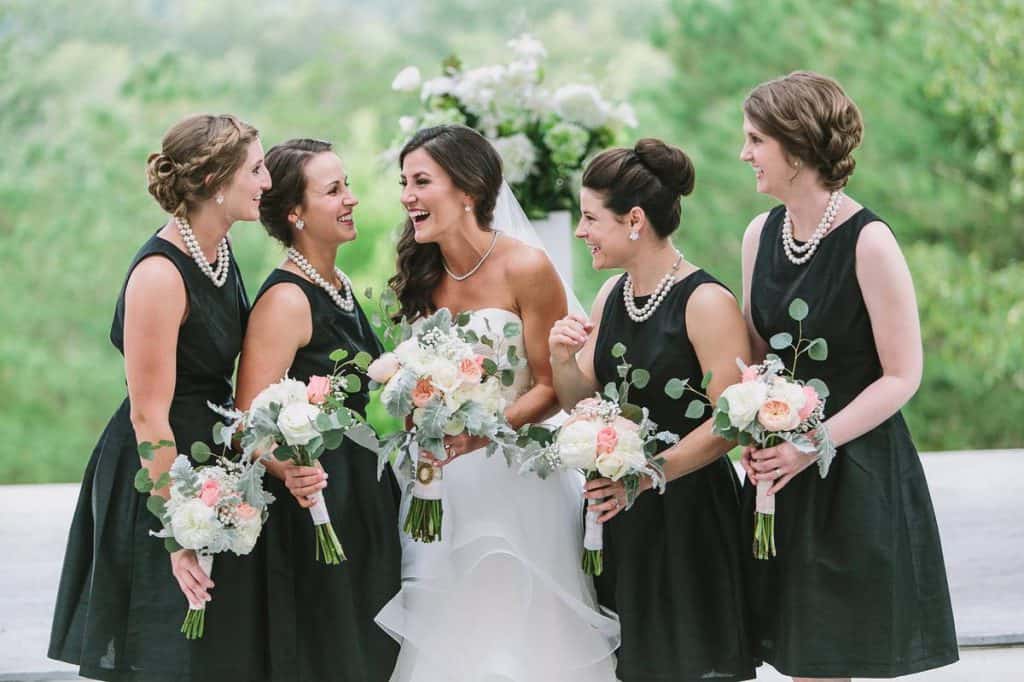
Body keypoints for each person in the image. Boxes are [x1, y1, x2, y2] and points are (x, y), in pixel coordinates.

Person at [374, 124, 620, 681]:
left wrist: (482, 431)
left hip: (516, 477)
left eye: (421, 181)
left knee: (522, 627)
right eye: (404, 182)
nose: (407, 195)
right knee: (453, 630)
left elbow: (551, 385)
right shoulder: (423, 272)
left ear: (467, 190)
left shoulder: (526, 267)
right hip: (439, 481)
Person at [737, 71, 958, 680]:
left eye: (756, 140)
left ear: (798, 147)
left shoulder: (871, 241)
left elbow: (902, 374)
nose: (745, 154)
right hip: (782, 474)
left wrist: (812, 444)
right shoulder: (761, 234)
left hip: (856, 472)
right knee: (798, 660)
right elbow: (757, 359)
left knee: (836, 658)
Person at [48, 114, 271, 681]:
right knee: (164, 648)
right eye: (257, 168)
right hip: (158, 474)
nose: (267, 181)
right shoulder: (160, 275)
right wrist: (178, 531)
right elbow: (149, 412)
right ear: (218, 181)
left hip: (208, 462)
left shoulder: (219, 253)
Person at [548, 138, 757, 681]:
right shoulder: (611, 295)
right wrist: (561, 359)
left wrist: (644, 478)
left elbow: (730, 423)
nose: (580, 230)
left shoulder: (706, 302)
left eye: (591, 217)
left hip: (688, 517)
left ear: (634, 219)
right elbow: (581, 406)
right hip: (620, 516)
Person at [234, 138, 402, 681]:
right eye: (333, 190)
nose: (351, 199)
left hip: (362, 495)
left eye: (347, 184)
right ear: (294, 213)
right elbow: (246, 421)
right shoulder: (287, 299)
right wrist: (290, 470)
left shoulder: (338, 284)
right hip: (317, 506)